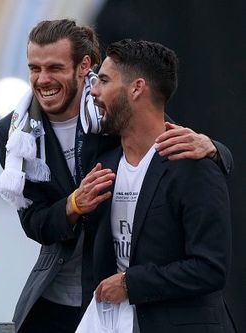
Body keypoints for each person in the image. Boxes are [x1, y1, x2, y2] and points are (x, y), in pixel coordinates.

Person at [0, 19, 233, 333]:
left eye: (54, 68)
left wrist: (214, 150)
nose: (42, 79)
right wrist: (72, 205)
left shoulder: (112, 118)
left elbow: (158, 131)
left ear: (83, 67)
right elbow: (34, 222)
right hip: (67, 293)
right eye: (34, 68)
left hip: (126, 297)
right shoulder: (13, 134)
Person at [82, 39, 235, 332]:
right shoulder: (103, 165)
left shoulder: (194, 164)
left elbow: (210, 268)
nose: (94, 90)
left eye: (103, 80)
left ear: (137, 88)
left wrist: (130, 283)